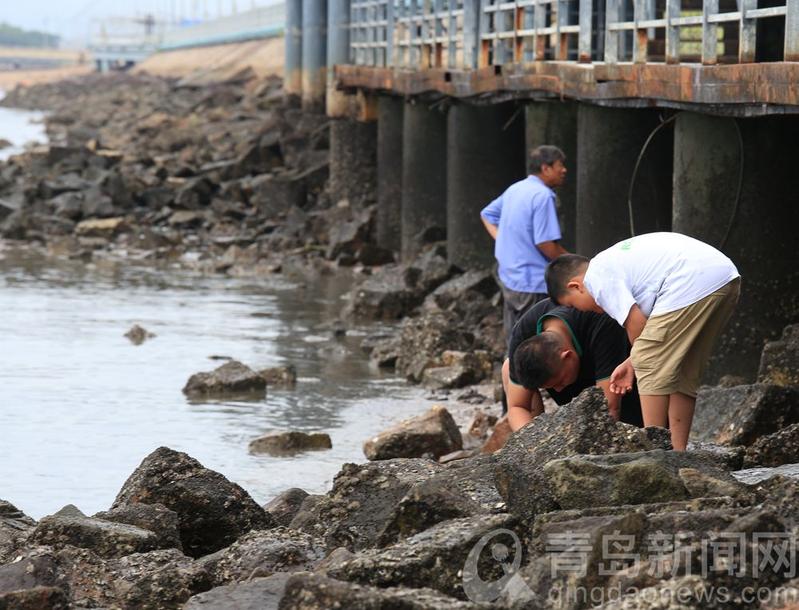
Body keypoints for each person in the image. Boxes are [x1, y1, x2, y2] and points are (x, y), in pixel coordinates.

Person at [545, 232, 740, 451]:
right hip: (724, 278)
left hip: (691, 282)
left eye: (571, 306)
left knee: (649, 364)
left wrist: (637, 362)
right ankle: (678, 453)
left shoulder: (596, 277)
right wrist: (632, 361)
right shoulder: (615, 263)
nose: (579, 311)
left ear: (575, 286)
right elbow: (650, 338)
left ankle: (654, 455)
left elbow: (637, 326)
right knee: (682, 372)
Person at [503, 298, 644, 432]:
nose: (557, 391)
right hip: (576, 384)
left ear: (567, 355)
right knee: (509, 367)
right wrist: (533, 444)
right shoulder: (524, 333)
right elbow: (517, 406)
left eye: (559, 382)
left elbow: (609, 408)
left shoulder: (598, 320)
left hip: (623, 381)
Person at [480, 145, 570, 340]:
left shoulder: (516, 188)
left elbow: (487, 214)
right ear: (546, 168)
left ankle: (510, 369)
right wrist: (573, 263)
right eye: (559, 165)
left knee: (514, 340)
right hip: (533, 283)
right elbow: (545, 243)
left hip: (510, 277)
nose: (564, 170)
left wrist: (502, 239)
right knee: (536, 342)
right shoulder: (542, 196)